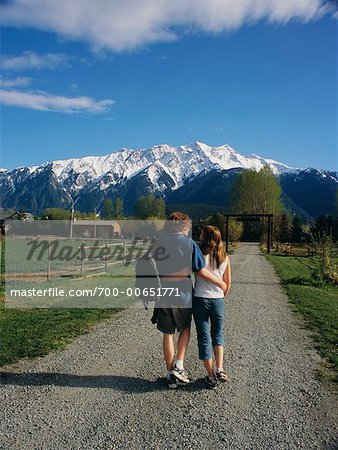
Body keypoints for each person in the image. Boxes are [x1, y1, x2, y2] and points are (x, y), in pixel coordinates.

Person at [153, 212, 227, 389]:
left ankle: (170, 375)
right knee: (184, 328)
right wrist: (220, 283)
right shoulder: (189, 244)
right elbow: (201, 270)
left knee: (168, 333)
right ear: (183, 227)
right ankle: (179, 364)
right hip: (182, 292)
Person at [193, 225, 231, 389]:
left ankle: (210, 376)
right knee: (217, 333)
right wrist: (222, 295)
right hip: (217, 300)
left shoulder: (199, 255)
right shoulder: (225, 257)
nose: (199, 235)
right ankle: (220, 369)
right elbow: (228, 283)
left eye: (202, 233)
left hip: (200, 299)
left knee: (203, 337)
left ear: (206, 237)